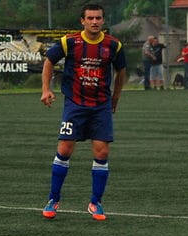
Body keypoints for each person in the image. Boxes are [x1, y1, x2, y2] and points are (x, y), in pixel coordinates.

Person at [40, 3, 126, 221]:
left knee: (102, 152)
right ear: (82, 21)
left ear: (103, 21)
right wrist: (46, 89)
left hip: (100, 106)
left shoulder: (113, 45)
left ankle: (95, 203)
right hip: (75, 104)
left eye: (98, 18)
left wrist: (115, 96)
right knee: (65, 148)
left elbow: (121, 70)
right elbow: (49, 61)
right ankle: (53, 199)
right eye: (90, 18)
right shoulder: (69, 42)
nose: (94, 22)